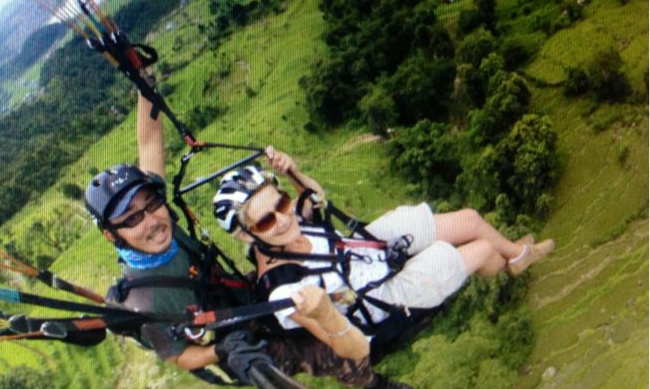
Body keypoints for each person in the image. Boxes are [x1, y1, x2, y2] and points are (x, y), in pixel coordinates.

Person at [84, 72, 417, 389]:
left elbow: (149, 144)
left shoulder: (156, 216)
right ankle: (373, 380)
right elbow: (180, 356)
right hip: (233, 341)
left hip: (237, 293)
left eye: (152, 204)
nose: (151, 221)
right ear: (112, 235)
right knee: (324, 353)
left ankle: (365, 295)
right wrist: (219, 350)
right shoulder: (143, 303)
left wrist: (142, 83)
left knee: (291, 274)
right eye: (132, 219)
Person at [212, 146, 554, 358]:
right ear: (245, 235)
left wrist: (292, 171)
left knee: (470, 219)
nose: (284, 219)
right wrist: (325, 314)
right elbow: (352, 349)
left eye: (282, 203)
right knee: (483, 249)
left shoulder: (290, 223)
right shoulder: (285, 290)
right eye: (266, 221)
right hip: (382, 299)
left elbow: (315, 199)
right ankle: (505, 260)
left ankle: (517, 258)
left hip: (364, 249)